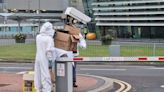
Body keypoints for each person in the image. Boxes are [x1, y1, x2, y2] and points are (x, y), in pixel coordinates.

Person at [34, 22, 67, 92]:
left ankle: (38, 89)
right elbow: (49, 51)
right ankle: (46, 90)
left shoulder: (38, 37)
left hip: (38, 58)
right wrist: (50, 62)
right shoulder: (49, 39)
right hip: (45, 59)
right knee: (46, 76)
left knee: (38, 74)